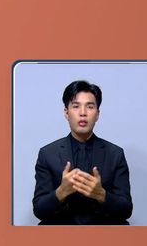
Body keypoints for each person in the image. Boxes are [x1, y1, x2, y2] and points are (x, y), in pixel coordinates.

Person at [32, 80, 133, 225]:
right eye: (76, 106)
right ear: (66, 113)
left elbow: (126, 210)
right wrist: (61, 191)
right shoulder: (48, 154)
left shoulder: (115, 154)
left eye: (90, 107)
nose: (83, 113)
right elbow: (39, 210)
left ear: (97, 114)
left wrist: (101, 194)